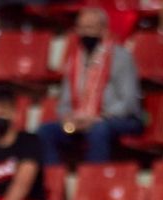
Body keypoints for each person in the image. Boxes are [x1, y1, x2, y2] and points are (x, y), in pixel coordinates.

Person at [35, 6, 143, 165]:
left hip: (117, 119)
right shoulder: (74, 61)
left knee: (99, 130)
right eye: (82, 28)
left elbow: (129, 103)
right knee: (45, 131)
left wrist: (97, 118)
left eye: (91, 28)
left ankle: (93, 183)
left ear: (103, 30)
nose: (86, 33)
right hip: (82, 119)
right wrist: (70, 118)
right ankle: (53, 182)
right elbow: (64, 103)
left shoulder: (121, 57)